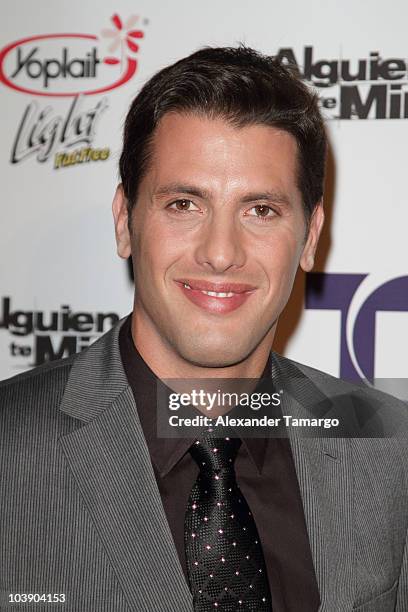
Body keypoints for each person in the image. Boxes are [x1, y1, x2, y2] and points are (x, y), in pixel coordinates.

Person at [0, 45, 407, 612]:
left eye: (260, 210)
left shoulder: (388, 445)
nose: (220, 253)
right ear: (125, 222)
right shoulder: (8, 449)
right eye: (184, 204)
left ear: (311, 235)